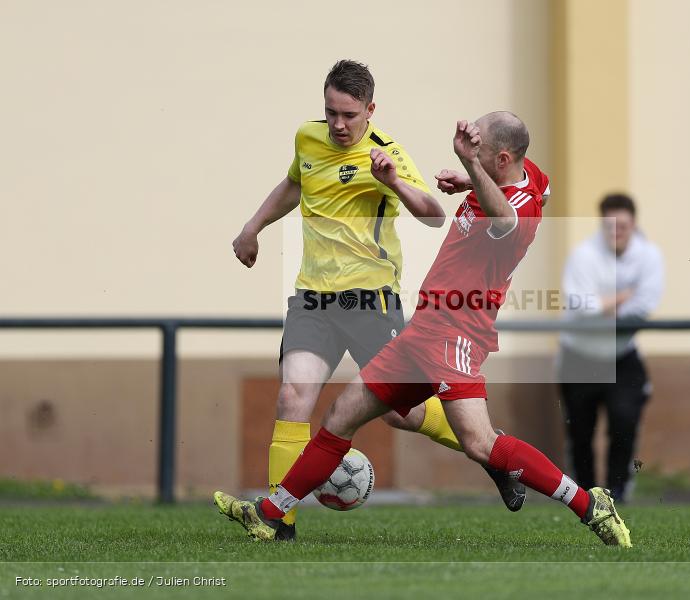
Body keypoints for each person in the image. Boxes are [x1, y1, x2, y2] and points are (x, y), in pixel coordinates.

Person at [215, 112, 632, 547]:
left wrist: (470, 167)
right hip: (424, 330)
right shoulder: (524, 176)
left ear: (502, 158)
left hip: (455, 332)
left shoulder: (514, 214)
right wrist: (473, 177)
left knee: (481, 443)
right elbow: (536, 186)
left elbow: (507, 218)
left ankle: (589, 504)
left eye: (480, 151)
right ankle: (267, 513)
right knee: (341, 417)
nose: (471, 151)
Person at [230, 61, 524, 540]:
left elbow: (432, 214)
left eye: (349, 115)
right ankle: (278, 522)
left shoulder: (385, 153)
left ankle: (495, 457)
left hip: (371, 301)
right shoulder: (308, 138)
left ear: (370, 110)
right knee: (291, 396)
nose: (339, 125)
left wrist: (393, 182)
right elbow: (293, 184)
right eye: (331, 114)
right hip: (313, 301)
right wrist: (252, 227)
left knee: (400, 411)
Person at [558, 193, 664, 501]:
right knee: (580, 432)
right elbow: (579, 305)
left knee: (624, 421)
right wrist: (621, 297)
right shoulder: (583, 255)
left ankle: (618, 491)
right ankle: (585, 497)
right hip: (578, 355)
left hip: (622, 355)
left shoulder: (649, 256)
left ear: (634, 224)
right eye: (610, 226)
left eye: (623, 226)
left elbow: (645, 305)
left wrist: (603, 307)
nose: (616, 232)